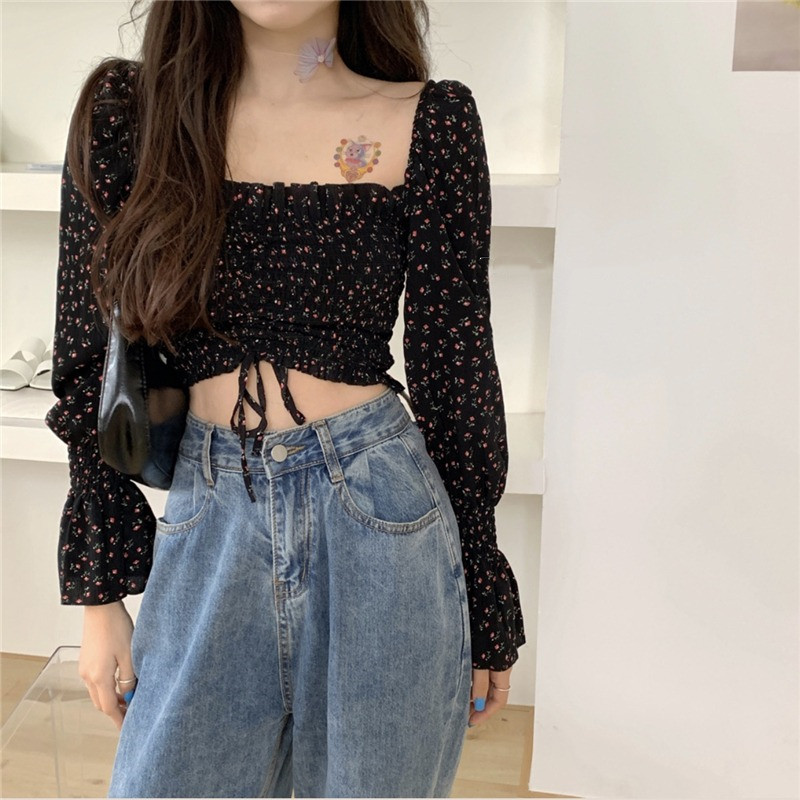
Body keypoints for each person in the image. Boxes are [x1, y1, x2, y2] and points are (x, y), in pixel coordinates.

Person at [45, 0, 526, 796]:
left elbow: (457, 369)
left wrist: (481, 588)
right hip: (210, 506)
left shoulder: (428, 120)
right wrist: (100, 597)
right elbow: (87, 356)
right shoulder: (129, 116)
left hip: (381, 514)